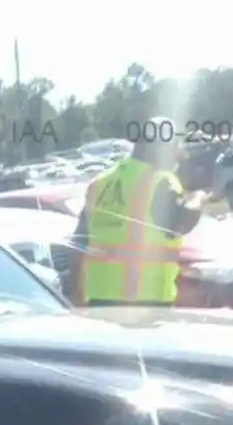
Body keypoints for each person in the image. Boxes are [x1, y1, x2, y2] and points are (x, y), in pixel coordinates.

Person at [64, 129, 208, 307]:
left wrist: (75, 293)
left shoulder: (101, 183)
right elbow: (184, 221)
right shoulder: (160, 181)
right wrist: (199, 196)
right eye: (176, 149)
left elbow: (79, 244)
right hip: (147, 303)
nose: (179, 157)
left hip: (99, 303)